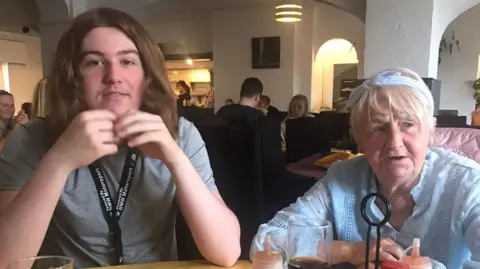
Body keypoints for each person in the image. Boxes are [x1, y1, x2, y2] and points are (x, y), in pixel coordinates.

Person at [0, 8, 240, 269]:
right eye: (95, 62)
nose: (114, 76)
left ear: (146, 76)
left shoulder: (181, 134)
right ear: (73, 77)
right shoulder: (29, 139)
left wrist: (175, 158)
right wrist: (58, 161)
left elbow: (226, 253)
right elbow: (6, 261)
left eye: (127, 61)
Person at [251, 68, 480, 269]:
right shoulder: (342, 178)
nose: (394, 142)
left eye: (408, 125)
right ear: (358, 139)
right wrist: (349, 251)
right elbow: (266, 242)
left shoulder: (467, 182)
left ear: (431, 132)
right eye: (378, 128)